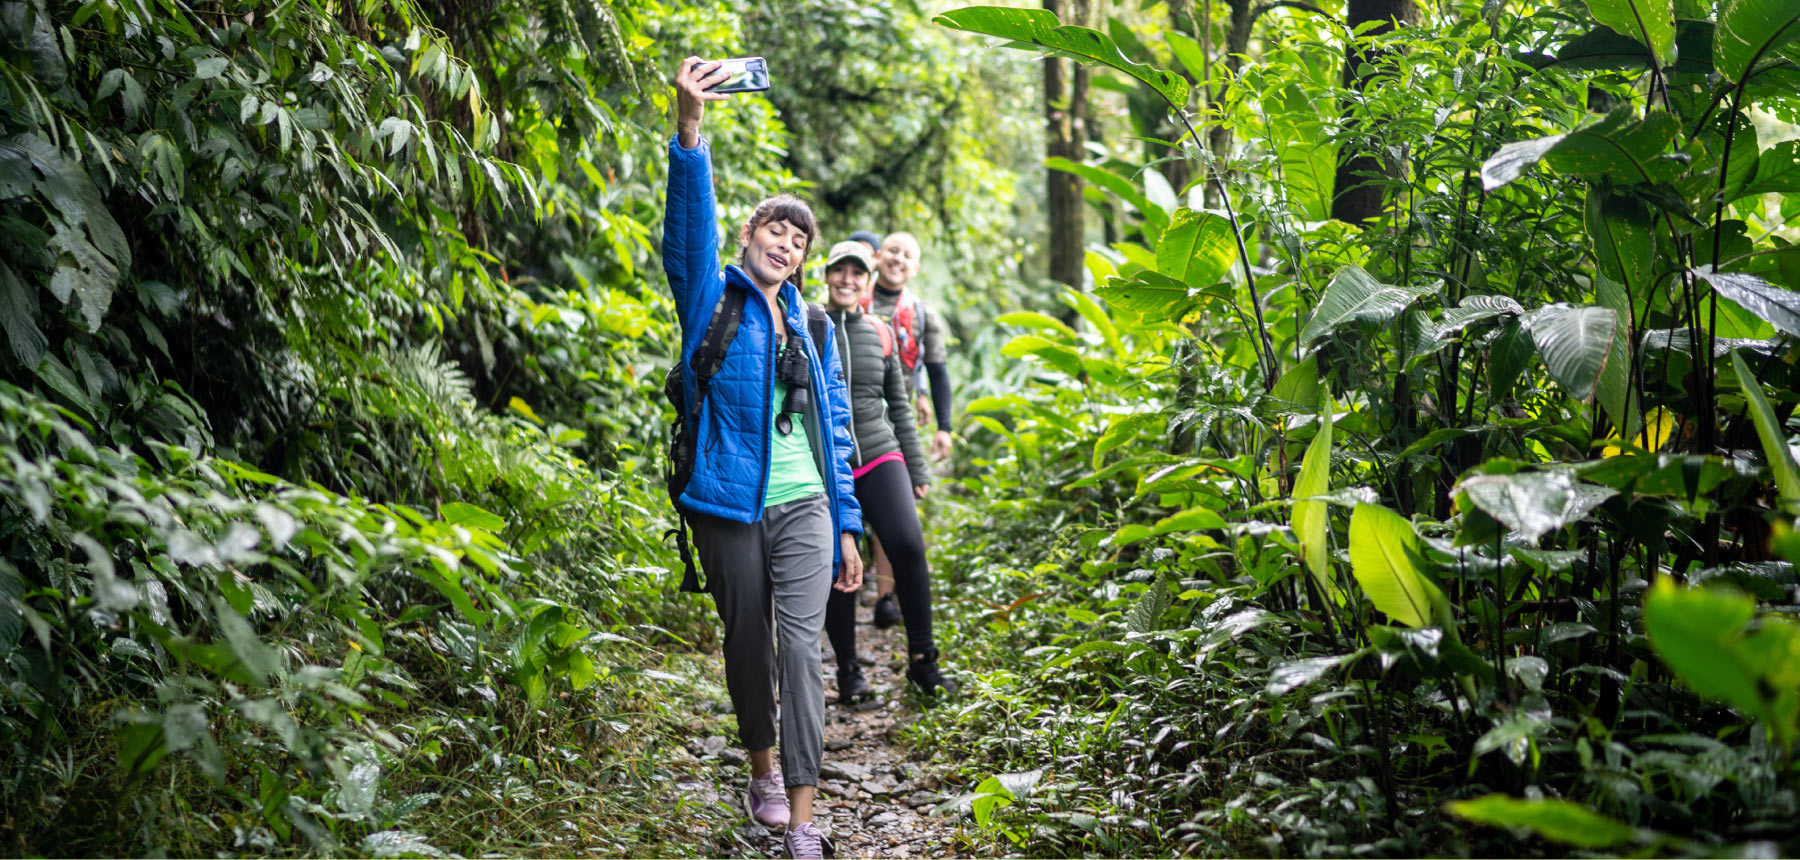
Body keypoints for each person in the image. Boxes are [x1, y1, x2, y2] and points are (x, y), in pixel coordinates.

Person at [664, 57, 863, 860]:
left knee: (802, 650)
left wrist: (849, 525)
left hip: (806, 502)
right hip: (725, 503)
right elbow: (686, 234)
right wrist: (690, 132)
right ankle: (763, 770)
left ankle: (807, 818)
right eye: (775, 229)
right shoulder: (710, 296)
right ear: (749, 234)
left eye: (799, 238)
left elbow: (836, 430)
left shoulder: (814, 328)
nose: (788, 242)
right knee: (747, 643)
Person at [815, 240, 957, 701]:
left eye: (857, 274)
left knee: (909, 547)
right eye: (840, 271)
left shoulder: (879, 331)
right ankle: (849, 673)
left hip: (880, 452)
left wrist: (916, 467)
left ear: (866, 280)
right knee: (842, 566)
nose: (848, 280)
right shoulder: (807, 327)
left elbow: (898, 404)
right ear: (827, 275)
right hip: (827, 463)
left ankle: (923, 662)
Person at [861, 231, 954, 629]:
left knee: (890, 509)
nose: (898, 260)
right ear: (879, 257)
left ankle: (885, 596)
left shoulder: (921, 313)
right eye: (893, 251)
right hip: (852, 414)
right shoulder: (851, 292)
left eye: (907, 255)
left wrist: (944, 427)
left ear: (915, 267)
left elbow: (937, 371)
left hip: (893, 423)